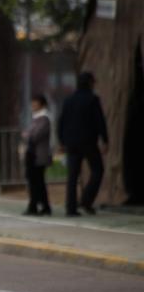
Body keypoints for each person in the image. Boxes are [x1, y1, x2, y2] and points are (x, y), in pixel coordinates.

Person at [58, 71, 108, 216]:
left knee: (72, 175)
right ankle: (86, 199)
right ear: (90, 83)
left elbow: (61, 122)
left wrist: (61, 140)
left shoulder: (69, 100)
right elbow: (99, 121)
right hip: (88, 142)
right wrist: (105, 139)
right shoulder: (92, 99)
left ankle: (70, 208)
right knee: (98, 169)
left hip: (71, 143)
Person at [22, 94, 52, 216]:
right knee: (34, 181)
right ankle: (36, 204)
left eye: (35, 103)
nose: (32, 106)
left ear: (42, 104)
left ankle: (41, 206)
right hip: (32, 155)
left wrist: (27, 135)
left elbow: (33, 135)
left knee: (38, 181)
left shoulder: (44, 119)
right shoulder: (36, 118)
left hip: (39, 156)